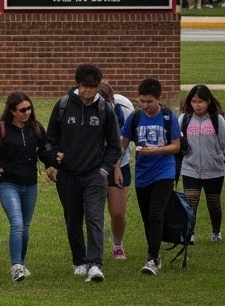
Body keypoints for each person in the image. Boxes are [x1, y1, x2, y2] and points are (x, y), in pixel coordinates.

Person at [46, 63, 121, 282]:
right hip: (68, 175)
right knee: (73, 219)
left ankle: (95, 264)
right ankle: (79, 260)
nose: (88, 91)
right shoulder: (62, 106)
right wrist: (55, 158)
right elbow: (50, 141)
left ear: (98, 86)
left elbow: (114, 146)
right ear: (77, 84)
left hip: (95, 176)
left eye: (92, 87)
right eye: (84, 86)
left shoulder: (105, 110)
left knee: (95, 218)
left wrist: (105, 169)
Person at [120, 78, 181, 275]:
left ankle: (152, 258)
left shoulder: (168, 117)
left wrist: (156, 150)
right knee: (147, 218)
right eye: (142, 101)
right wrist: (115, 167)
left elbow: (176, 146)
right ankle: (155, 254)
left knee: (156, 215)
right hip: (142, 175)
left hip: (164, 173)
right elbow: (122, 143)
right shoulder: (135, 117)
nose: (145, 105)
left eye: (149, 101)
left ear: (158, 99)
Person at [0, 91, 53, 282]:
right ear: (12, 111)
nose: (27, 113)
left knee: (25, 228)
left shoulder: (35, 128)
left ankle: (21, 264)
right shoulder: (1, 129)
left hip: (30, 184)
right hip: (8, 184)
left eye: (29, 109)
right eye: (22, 110)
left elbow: (45, 150)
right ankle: (16, 266)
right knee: (17, 224)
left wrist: (53, 162)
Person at [179, 84, 225, 244]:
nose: (197, 105)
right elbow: (177, 142)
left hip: (214, 169)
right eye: (194, 101)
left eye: (200, 101)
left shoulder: (217, 120)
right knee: (191, 203)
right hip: (190, 168)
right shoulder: (184, 119)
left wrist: (220, 158)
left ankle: (216, 232)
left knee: (214, 204)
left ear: (208, 102)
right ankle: (190, 233)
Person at [101, 82, 134, 261]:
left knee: (117, 212)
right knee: (94, 212)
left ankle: (117, 244)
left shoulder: (124, 107)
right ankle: (95, 246)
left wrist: (117, 167)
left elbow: (123, 141)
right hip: (95, 164)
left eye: (109, 102)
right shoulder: (85, 108)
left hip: (121, 161)